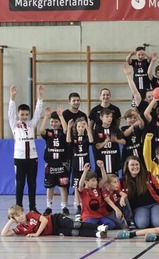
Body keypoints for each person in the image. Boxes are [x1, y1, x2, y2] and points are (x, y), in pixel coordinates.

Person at [9, 84, 44, 213]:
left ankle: (33, 208)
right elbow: (10, 113)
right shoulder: (14, 125)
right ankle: (18, 207)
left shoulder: (31, 125)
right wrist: (12, 98)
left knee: (32, 184)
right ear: (18, 115)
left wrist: (40, 97)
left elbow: (38, 112)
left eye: (26, 114)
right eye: (22, 114)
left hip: (32, 159)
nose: (24, 116)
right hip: (19, 159)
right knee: (20, 184)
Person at [2, 205, 107, 238]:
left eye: (21, 213)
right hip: (55, 231)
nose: (21, 216)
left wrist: (36, 234)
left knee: (75, 224)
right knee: (75, 233)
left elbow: (44, 221)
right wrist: (11, 221)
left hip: (54, 220)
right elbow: (3, 235)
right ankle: (97, 234)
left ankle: (99, 227)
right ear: (14, 219)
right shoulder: (20, 228)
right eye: (17, 216)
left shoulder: (30, 215)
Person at [119, 156, 159, 229]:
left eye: (137, 164)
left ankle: (154, 217)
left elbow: (158, 188)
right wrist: (122, 195)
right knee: (142, 224)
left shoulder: (148, 175)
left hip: (155, 204)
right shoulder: (122, 181)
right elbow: (116, 191)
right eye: (132, 165)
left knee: (157, 224)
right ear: (127, 166)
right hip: (139, 208)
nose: (135, 167)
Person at [40, 106, 70, 216]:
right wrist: (46, 117)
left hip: (61, 164)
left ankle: (64, 206)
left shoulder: (63, 133)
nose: (53, 123)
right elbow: (41, 130)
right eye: (52, 121)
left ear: (60, 122)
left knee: (63, 186)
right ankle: (49, 206)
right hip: (50, 164)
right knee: (50, 186)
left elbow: (67, 129)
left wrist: (61, 116)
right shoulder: (48, 133)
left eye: (56, 121)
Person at [77, 161, 117, 229]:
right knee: (89, 226)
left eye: (96, 180)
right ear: (86, 182)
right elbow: (80, 185)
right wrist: (85, 171)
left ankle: (99, 227)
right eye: (93, 180)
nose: (96, 182)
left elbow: (104, 179)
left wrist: (102, 167)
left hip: (99, 216)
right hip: (89, 216)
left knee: (112, 225)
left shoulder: (97, 188)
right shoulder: (83, 191)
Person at [93, 108, 125, 176]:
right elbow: (97, 146)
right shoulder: (97, 130)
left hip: (114, 160)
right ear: (101, 117)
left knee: (114, 181)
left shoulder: (115, 129)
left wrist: (116, 140)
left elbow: (124, 142)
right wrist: (105, 142)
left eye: (111, 116)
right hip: (102, 159)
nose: (109, 118)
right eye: (107, 116)